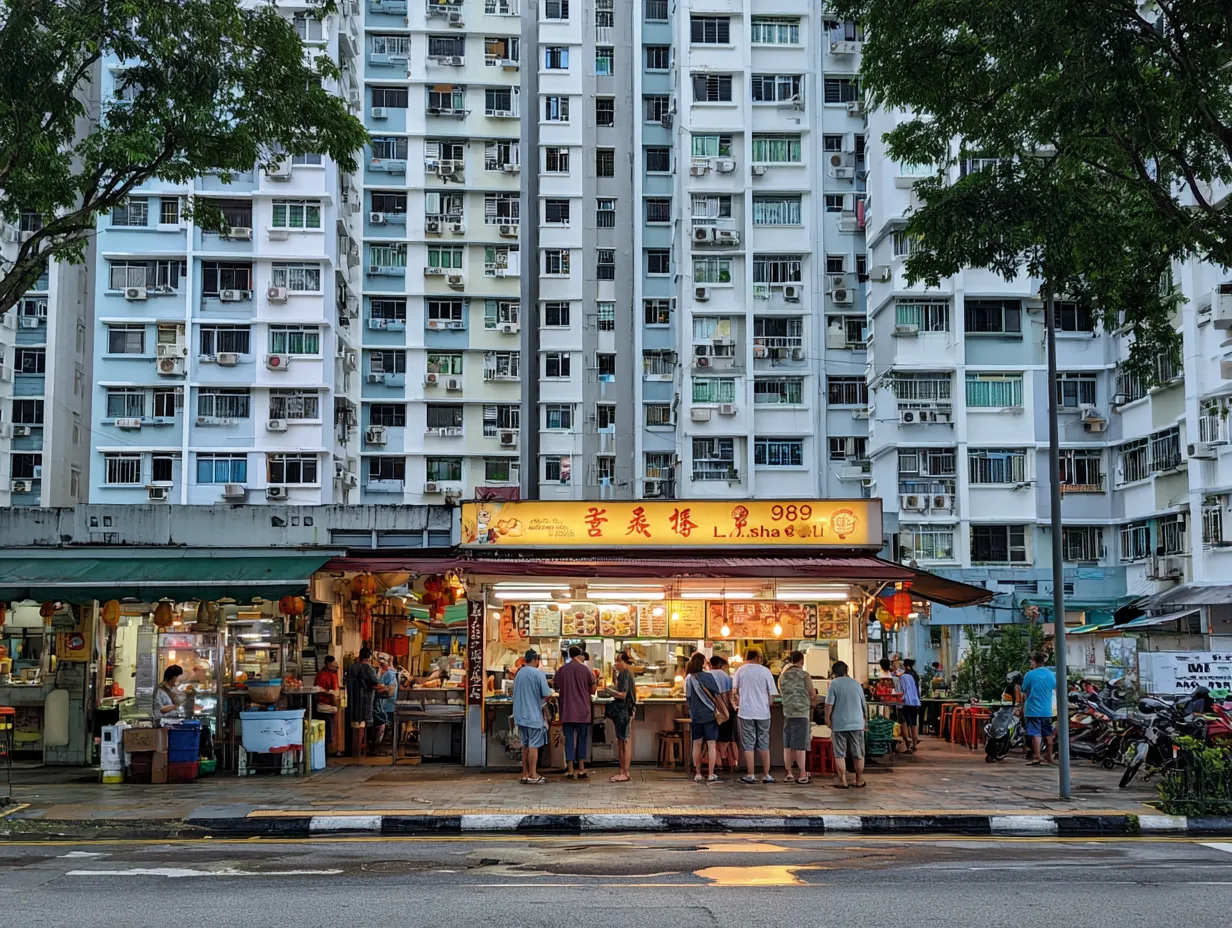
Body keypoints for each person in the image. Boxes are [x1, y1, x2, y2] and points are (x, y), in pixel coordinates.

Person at [732, 649, 778, 784]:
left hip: (745, 712)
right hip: (763, 713)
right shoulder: (765, 671)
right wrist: (767, 704)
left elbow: (734, 692)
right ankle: (767, 774)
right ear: (758, 657)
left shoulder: (740, 671)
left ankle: (750, 774)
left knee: (748, 744)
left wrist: (739, 701)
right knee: (764, 742)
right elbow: (772, 695)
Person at [554, 645, 596, 779]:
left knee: (569, 739)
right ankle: (582, 769)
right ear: (580, 655)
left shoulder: (562, 670)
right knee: (582, 739)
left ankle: (571, 769)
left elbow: (556, 686)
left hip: (567, 710)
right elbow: (593, 690)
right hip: (583, 710)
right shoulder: (586, 670)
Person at [825, 660, 868, 789]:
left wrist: (827, 719)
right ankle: (859, 780)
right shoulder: (856, 684)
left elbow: (828, 705)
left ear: (834, 673)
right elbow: (863, 704)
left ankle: (843, 780)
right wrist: (865, 719)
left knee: (839, 753)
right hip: (857, 723)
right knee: (858, 753)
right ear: (846, 671)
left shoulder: (834, 684)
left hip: (839, 724)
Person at [512, 648, 551, 784]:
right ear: (535, 660)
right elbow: (547, 694)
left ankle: (524, 774)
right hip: (533, 714)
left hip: (520, 715)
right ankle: (533, 775)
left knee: (525, 746)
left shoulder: (519, 673)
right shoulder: (538, 674)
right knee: (534, 745)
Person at [778, 650, 817, 783]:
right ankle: (802, 774)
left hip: (787, 713)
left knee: (787, 744)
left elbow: (780, 691)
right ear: (802, 660)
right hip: (801, 713)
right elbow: (812, 694)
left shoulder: (782, 676)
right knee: (800, 744)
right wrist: (812, 700)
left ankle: (789, 773)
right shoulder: (804, 675)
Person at [684, 652, 721, 783]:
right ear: (703, 663)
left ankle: (698, 773)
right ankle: (711, 773)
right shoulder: (708, 676)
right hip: (710, 714)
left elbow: (687, 698)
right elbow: (717, 694)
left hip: (696, 716)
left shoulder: (689, 679)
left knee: (696, 744)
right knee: (711, 744)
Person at [605, 650, 637, 782]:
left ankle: (624, 772)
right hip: (627, 710)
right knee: (623, 740)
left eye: (618, 661)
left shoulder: (624, 674)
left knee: (623, 741)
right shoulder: (626, 674)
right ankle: (624, 771)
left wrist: (608, 691)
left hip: (623, 710)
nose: (616, 663)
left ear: (624, 662)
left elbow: (622, 694)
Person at [1021, 651, 1058, 766]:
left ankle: (1037, 756)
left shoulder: (1030, 675)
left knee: (1035, 733)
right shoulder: (1051, 674)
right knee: (1048, 733)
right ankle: (1049, 756)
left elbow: (1024, 689)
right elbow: (1054, 687)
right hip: (1047, 709)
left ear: (1034, 661)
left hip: (1032, 709)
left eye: (1031, 661)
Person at [346, 647, 379, 754]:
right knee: (367, 723)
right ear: (367, 658)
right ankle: (368, 749)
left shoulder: (351, 667)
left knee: (354, 723)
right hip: (365, 701)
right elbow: (375, 682)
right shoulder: (367, 668)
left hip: (352, 700)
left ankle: (352, 749)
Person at [708, 655, 738, 772]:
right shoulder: (727, 677)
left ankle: (718, 763)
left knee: (713, 740)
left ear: (710, 665)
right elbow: (730, 695)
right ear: (721, 665)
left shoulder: (707, 676)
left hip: (711, 711)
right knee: (728, 739)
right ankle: (731, 764)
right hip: (726, 711)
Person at [313, 655, 341, 755]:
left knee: (330, 726)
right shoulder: (321, 675)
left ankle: (329, 749)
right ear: (328, 664)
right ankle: (325, 751)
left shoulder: (333, 674)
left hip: (331, 705)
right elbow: (318, 689)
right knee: (327, 727)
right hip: (323, 704)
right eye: (333, 664)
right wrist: (329, 692)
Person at [372, 655, 399, 753]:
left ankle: (379, 747)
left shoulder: (390, 673)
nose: (380, 665)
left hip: (388, 703)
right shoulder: (384, 673)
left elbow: (390, 689)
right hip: (384, 703)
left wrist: (382, 688)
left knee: (386, 723)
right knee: (385, 723)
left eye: (382, 664)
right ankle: (378, 747)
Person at [895, 659, 921, 753]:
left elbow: (899, 691)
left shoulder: (901, 678)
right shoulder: (913, 676)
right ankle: (914, 744)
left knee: (905, 723)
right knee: (914, 723)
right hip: (915, 702)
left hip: (905, 702)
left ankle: (908, 744)